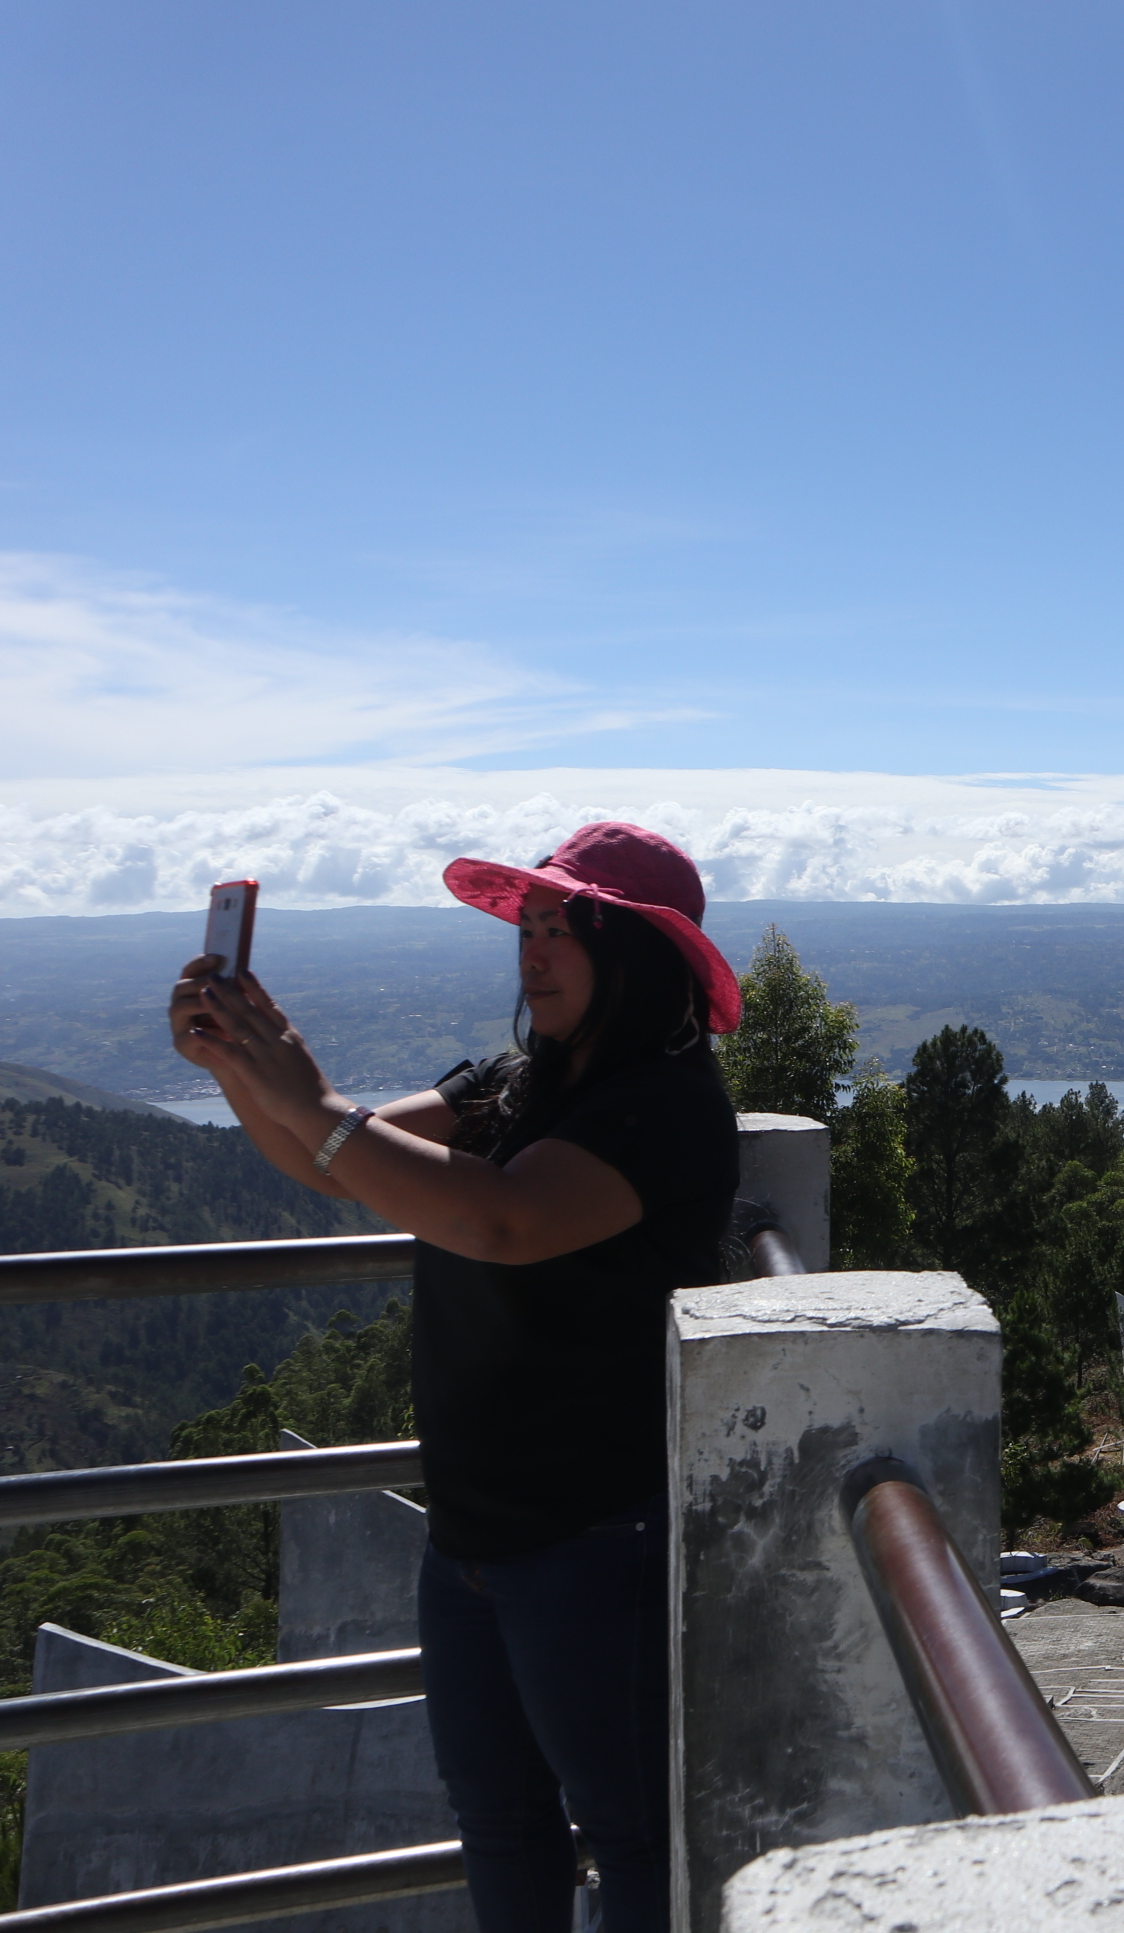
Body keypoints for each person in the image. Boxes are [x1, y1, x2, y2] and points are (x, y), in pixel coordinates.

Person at [167, 821, 743, 1933]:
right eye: (527, 924)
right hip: (475, 1538)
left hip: (595, 1540)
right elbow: (340, 1164)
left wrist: (308, 1098)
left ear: (639, 954)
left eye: (562, 927)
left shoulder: (663, 1107)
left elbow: (496, 1216)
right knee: (501, 1820)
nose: (532, 950)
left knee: (628, 1833)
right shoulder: (520, 1081)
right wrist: (244, 1061)